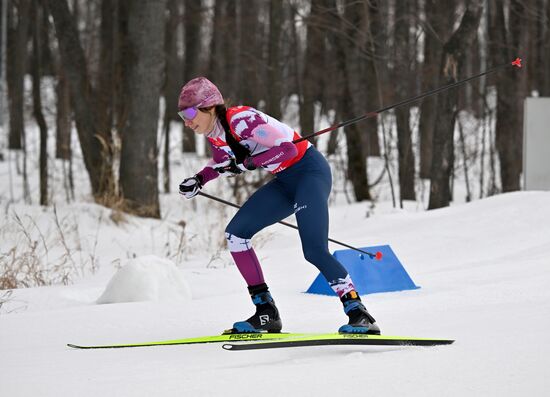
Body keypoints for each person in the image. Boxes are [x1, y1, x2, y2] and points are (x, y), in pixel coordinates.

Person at [178, 77, 380, 335]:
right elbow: (219, 164)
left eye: (190, 112)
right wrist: (198, 180)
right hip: (285, 182)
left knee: (315, 251)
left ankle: (359, 313)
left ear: (211, 107)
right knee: (236, 234)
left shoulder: (242, 120)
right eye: (182, 114)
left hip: (310, 173)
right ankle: (266, 313)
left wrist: (249, 163)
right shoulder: (216, 135)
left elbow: (286, 150)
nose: (186, 120)